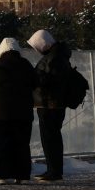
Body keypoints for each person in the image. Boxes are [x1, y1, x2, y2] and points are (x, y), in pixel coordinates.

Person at [0, 37, 38, 184]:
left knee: (0, 144)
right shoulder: (26, 65)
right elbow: (36, 83)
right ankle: (22, 175)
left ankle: (1, 175)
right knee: (22, 145)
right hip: (23, 114)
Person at [28, 29, 72, 181]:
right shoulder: (60, 56)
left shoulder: (53, 58)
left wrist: (34, 78)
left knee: (49, 138)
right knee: (52, 137)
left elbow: (48, 80)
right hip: (55, 103)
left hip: (49, 104)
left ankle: (53, 171)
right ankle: (53, 170)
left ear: (43, 43)